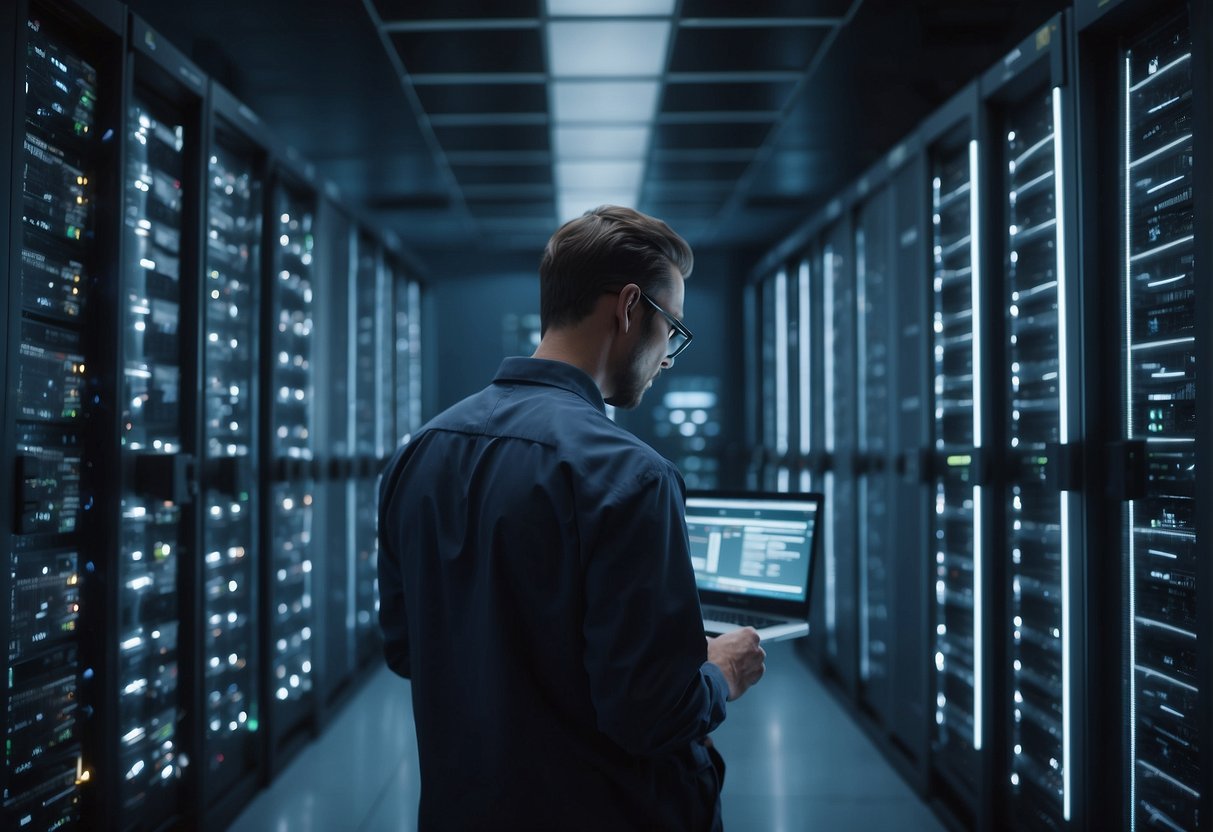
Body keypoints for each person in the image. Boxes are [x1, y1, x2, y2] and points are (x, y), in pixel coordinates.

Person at [378, 205, 766, 831]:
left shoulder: (419, 452)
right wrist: (720, 672)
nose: (668, 358)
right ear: (630, 307)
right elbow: (651, 714)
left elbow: (407, 648)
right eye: (673, 331)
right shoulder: (631, 474)